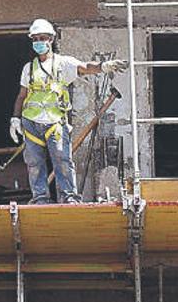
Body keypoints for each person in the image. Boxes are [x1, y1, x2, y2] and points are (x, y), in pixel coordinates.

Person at [8, 19, 127, 204]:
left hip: (55, 123)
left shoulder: (63, 64)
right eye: (35, 39)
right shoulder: (29, 68)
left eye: (43, 38)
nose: (39, 42)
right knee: (34, 165)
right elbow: (22, 96)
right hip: (31, 124)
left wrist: (103, 66)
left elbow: (85, 67)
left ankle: (69, 197)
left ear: (51, 40)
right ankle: (40, 198)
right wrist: (15, 119)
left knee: (63, 161)